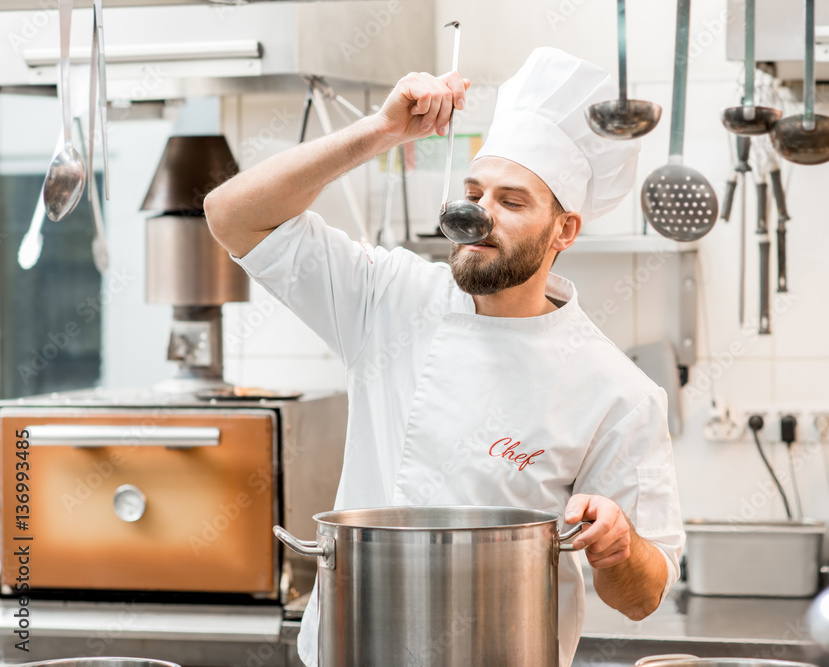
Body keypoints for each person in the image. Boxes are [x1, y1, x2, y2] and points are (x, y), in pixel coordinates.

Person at [205, 46, 684, 667]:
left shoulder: (617, 391)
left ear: (564, 231)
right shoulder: (391, 296)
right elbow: (231, 215)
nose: (477, 217)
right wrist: (381, 132)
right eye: (474, 192)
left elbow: (643, 597)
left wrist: (619, 542)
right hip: (353, 651)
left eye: (512, 203)